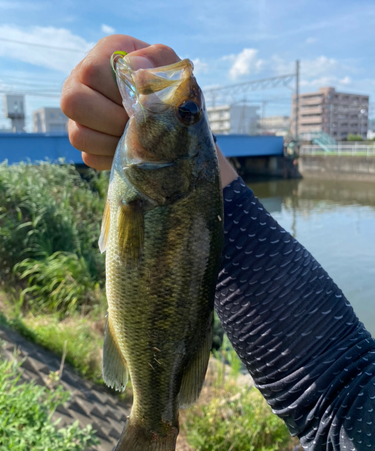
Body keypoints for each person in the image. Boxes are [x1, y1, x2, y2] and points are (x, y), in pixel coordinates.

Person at [61, 35, 375, 451]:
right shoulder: (350, 409)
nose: (190, 110)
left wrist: (181, 124)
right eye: (192, 114)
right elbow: (340, 385)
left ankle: (151, 423)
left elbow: (339, 391)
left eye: (189, 114)